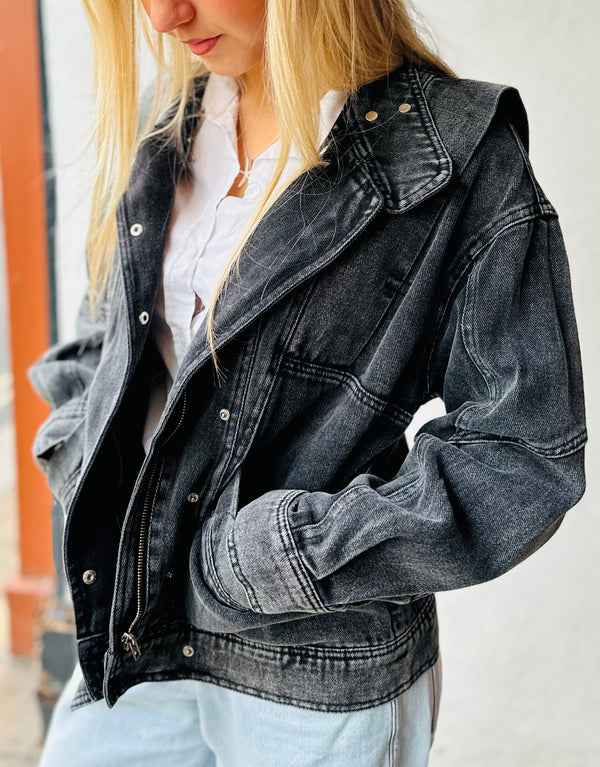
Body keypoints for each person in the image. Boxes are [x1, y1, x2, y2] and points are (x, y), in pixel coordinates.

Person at [28, 1, 587, 765]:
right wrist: (74, 451)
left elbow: (523, 451)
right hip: (134, 638)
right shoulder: (174, 117)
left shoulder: (456, 154)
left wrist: (288, 552)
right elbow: (109, 340)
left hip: (317, 676)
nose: (162, 16)